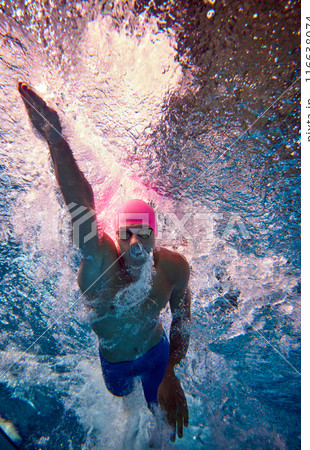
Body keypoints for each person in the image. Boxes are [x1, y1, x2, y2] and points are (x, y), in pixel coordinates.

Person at [18, 82, 191, 442]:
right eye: (126, 233)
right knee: (125, 409)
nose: (133, 243)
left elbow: (183, 322)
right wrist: (54, 138)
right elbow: (80, 210)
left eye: (143, 233)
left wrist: (172, 373)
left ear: (156, 237)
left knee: (160, 432)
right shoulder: (100, 261)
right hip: (114, 365)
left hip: (157, 356)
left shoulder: (174, 269)